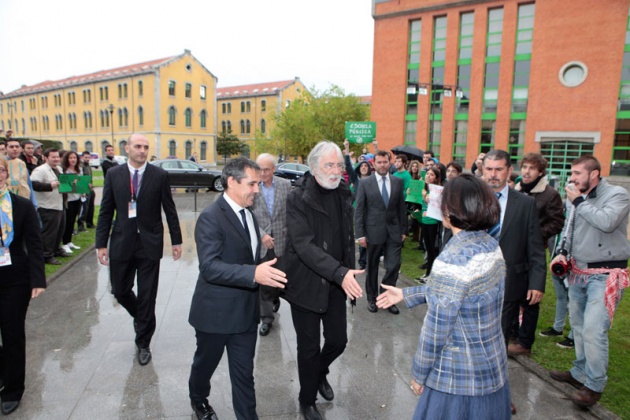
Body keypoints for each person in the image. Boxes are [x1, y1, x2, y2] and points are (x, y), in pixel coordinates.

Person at [376, 173, 511, 419]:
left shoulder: (453, 258)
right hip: (492, 370)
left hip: (457, 382)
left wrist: (419, 372)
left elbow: (436, 330)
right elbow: (464, 292)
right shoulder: (490, 244)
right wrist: (407, 293)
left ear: (450, 210)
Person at [188, 157, 286, 420]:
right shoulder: (210, 217)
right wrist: (253, 273)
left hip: (245, 314)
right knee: (204, 365)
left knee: (244, 376)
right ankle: (198, 400)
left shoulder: (249, 214)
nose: (257, 188)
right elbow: (209, 267)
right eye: (252, 183)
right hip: (214, 315)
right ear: (231, 182)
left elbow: (250, 257)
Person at [283, 141, 364, 420]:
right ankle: (306, 400)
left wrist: (347, 270)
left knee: (338, 341)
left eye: (339, 165)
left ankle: (318, 373)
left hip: (335, 284)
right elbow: (303, 245)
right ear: (314, 166)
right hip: (305, 284)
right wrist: (340, 272)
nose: (335, 171)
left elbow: (344, 238)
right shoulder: (297, 197)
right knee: (308, 349)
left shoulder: (343, 192)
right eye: (329, 165)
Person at [549, 155, 630, 408]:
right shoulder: (576, 199)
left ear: (594, 174)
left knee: (594, 330)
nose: (571, 178)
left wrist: (580, 202)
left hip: (605, 276)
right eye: (571, 173)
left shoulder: (618, 194)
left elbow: (606, 223)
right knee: (580, 328)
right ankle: (579, 373)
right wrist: (561, 251)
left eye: (576, 173)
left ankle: (594, 385)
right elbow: (570, 230)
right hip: (578, 273)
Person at [96, 134, 182, 366]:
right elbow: (105, 211)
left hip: (149, 243)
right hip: (122, 242)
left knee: (147, 294)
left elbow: (169, 209)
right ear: (127, 148)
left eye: (145, 147)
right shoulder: (114, 175)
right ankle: (142, 317)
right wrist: (101, 243)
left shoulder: (159, 175)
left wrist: (176, 240)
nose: (142, 150)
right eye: (138, 146)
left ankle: (143, 342)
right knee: (120, 290)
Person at [483, 150, 546, 364]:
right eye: (489, 169)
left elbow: (535, 247)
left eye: (498, 169)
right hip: (473, 281)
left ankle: (495, 388)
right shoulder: (471, 198)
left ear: (509, 171)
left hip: (508, 283)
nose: (493, 174)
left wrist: (537, 283)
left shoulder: (525, 204)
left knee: (498, 338)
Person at [0, 154, 46, 415]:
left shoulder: (22, 206)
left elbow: (35, 244)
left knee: (12, 332)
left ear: (7, 173)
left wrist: (38, 279)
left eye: (0, 170)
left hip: (15, 277)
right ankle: (4, 371)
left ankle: (13, 389)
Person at [513, 153, 568, 346]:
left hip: (533, 251)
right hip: (513, 249)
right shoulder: (516, 189)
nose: (527, 172)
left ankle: (524, 342)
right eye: (525, 167)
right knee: (512, 292)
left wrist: (535, 234)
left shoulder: (549, 194)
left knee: (530, 296)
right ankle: (512, 333)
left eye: (532, 168)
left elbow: (557, 223)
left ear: (540, 172)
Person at [355, 150, 406, 314]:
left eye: (385, 162)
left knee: (393, 265)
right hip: (373, 231)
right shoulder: (365, 183)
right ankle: (372, 298)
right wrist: (360, 234)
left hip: (394, 231)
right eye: (379, 162)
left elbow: (401, 208)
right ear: (374, 164)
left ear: (389, 163)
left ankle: (387, 298)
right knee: (372, 266)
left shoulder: (397, 182)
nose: (383, 165)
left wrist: (403, 229)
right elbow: (360, 210)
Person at [250, 153, 291, 336]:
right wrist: (262, 235)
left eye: (267, 169)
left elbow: (292, 212)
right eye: (260, 169)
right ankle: (266, 319)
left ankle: (276, 297)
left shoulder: (285, 185)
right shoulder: (251, 186)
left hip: (282, 240)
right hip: (262, 242)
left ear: (274, 169)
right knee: (264, 282)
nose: (263, 173)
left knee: (279, 278)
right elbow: (247, 214)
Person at [31, 149, 68, 265]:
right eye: (53, 157)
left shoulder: (59, 169)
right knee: (49, 232)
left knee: (60, 230)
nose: (56, 159)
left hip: (59, 204)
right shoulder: (40, 170)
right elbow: (33, 184)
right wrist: (49, 185)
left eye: (57, 157)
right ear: (46, 158)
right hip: (47, 206)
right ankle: (46, 255)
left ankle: (56, 249)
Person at [343, 140, 372, 269]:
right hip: (358, 210)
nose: (364, 168)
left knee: (370, 234)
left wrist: (375, 147)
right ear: (359, 169)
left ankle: (370, 259)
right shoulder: (356, 179)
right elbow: (348, 167)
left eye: (366, 166)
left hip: (371, 210)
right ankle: (362, 261)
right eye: (362, 166)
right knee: (361, 235)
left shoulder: (373, 180)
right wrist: (347, 150)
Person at [415, 166, 442, 282]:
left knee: (431, 250)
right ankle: (427, 274)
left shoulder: (437, 190)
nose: (428, 176)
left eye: (431, 175)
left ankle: (430, 274)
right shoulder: (424, 188)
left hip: (433, 222)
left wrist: (425, 196)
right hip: (425, 221)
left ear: (436, 178)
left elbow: (435, 204)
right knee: (427, 247)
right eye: (427, 174)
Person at [60, 151, 83, 254]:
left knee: (73, 220)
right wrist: (72, 184)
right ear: (67, 159)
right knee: (67, 221)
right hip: (68, 199)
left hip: (77, 198)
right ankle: (64, 243)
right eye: (71, 158)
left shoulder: (79, 170)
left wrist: (84, 187)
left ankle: (69, 241)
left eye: (74, 158)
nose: (73, 160)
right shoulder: (64, 171)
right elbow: (64, 187)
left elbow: (81, 183)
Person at [5, 139, 36, 205]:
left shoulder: (21, 164)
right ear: (6, 149)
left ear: (20, 149)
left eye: (17, 147)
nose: (15, 149)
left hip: (23, 201)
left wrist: (33, 203)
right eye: (11, 147)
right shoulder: (2, 162)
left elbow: (28, 184)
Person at [77, 151, 96, 231]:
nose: (87, 159)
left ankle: (89, 223)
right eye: (86, 157)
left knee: (91, 207)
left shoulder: (88, 166)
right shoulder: (81, 166)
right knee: (84, 208)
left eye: (89, 157)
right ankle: (81, 225)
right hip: (84, 189)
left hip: (90, 189)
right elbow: (81, 178)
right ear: (82, 157)